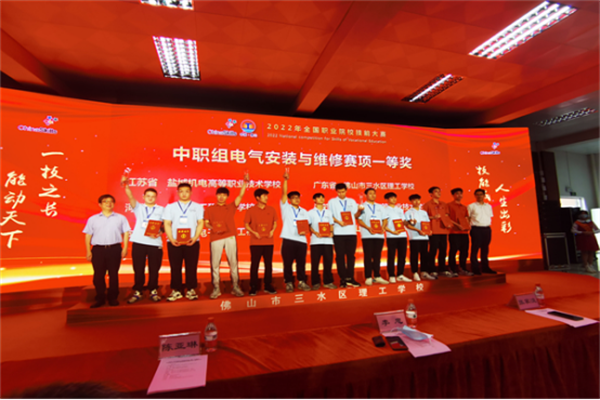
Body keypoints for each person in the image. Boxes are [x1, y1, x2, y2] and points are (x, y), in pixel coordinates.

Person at [204, 174, 249, 299]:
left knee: (233, 262)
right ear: (216, 195)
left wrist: (245, 183)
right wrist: (213, 228)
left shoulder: (230, 207)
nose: (221, 197)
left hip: (230, 236)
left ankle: (235, 286)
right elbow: (206, 223)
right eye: (219, 194)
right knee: (215, 264)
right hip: (215, 237)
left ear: (227, 197)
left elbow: (240, 196)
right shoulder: (210, 209)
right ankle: (216, 288)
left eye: (224, 195)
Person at [122, 176, 165, 303]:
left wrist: (160, 232)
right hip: (139, 242)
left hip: (155, 243)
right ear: (143, 197)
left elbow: (167, 224)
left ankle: (153, 290)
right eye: (148, 196)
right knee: (138, 268)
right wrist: (126, 185)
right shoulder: (138, 207)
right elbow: (130, 196)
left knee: (154, 269)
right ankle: (138, 291)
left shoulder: (161, 209)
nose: (150, 198)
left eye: (153, 196)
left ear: (156, 197)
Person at [83, 194, 131, 308]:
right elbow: (88, 235)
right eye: (105, 201)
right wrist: (88, 251)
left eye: (111, 201)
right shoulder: (93, 219)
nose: (108, 203)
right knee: (98, 275)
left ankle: (113, 298)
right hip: (98, 250)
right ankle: (100, 298)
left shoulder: (121, 218)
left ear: (114, 204)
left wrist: (125, 248)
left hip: (114, 249)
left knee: (113, 275)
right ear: (100, 204)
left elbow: (126, 233)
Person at [163, 183, 205, 301]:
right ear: (178, 193)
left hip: (192, 241)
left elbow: (200, 222)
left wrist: (195, 237)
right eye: (181, 191)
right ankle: (176, 290)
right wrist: (171, 238)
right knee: (175, 267)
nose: (184, 194)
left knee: (191, 267)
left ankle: (191, 289)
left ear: (191, 192)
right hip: (174, 241)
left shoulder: (198, 207)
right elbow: (167, 223)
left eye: (186, 191)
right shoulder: (170, 207)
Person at [280, 169, 311, 292]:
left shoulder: (304, 211)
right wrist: (285, 180)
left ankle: (302, 281)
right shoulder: (286, 208)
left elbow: (307, 225)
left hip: (301, 240)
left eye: (298, 198)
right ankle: (289, 282)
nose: (296, 199)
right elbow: (284, 193)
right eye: (293, 198)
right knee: (287, 263)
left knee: (301, 263)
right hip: (288, 239)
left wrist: (306, 231)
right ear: (289, 200)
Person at [244, 188, 278, 296]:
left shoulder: (271, 209)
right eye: (264, 196)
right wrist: (254, 232)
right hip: (256, 242)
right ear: (257, 198)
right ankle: (254, 286)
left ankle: (268, 285)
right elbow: (246, 225)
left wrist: (272, 230)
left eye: (267, 196)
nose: (266, 198)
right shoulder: (251, 210)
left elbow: (275, 222)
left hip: (269, 242)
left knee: (268, 264)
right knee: (255, 265)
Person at [328, 183, 361, 288]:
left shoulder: (352, 201)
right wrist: (339, 222)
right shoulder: (332, 202)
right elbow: (329, 215)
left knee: (351, 256)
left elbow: (355, 215)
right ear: (336, 191)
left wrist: (360, 210)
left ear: (346, 190)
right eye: (339, 192)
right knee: (340, 256)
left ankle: (350, 278)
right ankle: (342, 278)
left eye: (343, 192)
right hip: (338, 233)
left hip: (351, 232)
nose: (341, 194)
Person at [356, 188, 389, 286]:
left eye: (374, 193)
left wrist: (383, 227)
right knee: (368, 256)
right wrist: (368, 228)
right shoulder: (362, 207)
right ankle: (368, 277)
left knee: (377, 256)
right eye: (370, 193)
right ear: (366, 195)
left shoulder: (380, 207)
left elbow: (385, 219)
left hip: (379, 235)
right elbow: (359, 220)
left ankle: (377, 276)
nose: (373, 195)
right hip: (367, 235)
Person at [422, 186, 453, 278]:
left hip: (443, 230)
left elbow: (446, 216)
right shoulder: (427, 205)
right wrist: (433, 217)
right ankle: (432, 269)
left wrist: (448, 224)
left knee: (443, 251)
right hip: (433, 231)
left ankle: (442, 269)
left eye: (439, 191)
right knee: (433, 251)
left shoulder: (444, 204)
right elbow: (423, 217)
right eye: (436, 191)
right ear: (431, 194)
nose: (439, 193)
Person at [308, 193, 336, 290]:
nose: (321, 199)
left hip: (328, 241)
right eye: (318, 197)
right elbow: (308, 225)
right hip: (315, 241)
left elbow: (331, 224)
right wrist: (315, 232)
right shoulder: (310, 212)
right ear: (314, 200)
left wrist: (331, 232)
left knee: (328, 262)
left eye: (322, 197)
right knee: (315, 263)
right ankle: (315, 282)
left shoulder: (328, 212)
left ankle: (328, 282)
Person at [383, 192, 412, 282]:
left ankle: (400, 274)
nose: (394, 199)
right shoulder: (384, 210)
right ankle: (391, 275)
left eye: (395, 197)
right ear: (387, 200)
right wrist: (392, 232)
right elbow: (383, 225)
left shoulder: (399, 210)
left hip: (402, 235)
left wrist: (409, 221)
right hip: (391, 236)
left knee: (402, 256)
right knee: (391, 256)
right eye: (391, 198)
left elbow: (404, 222)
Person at [467, 188, 496, 274]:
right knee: (475, 248)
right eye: (477, 195)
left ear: (484, 196)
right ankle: (475, 268)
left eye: (481, 194)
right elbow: (468, 218)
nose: (479, 196)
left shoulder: (488, 206)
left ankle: (485, 267)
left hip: (486, 229)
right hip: (476, 229)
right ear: (475, 196)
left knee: (485, 248)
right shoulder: (471, 206)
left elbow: (490, 216)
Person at [447, 188, 474, 276]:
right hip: (454, 232)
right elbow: (447, 218)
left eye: (461, 193)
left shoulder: (464, 207)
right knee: (453, 251)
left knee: (464, 251)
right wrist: (457, 225)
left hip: (464, 233)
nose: (459, 195)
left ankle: (463, 268)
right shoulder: (449, 205)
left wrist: (467, 225)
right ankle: (452, 269)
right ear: (453, 195)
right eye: (457, 193)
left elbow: (466, 218)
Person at [404, 194, 432, 281]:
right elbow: (407, 225)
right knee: (414, 255)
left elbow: (427, 223)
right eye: (414, 200)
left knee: (425, 255)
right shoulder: (408, 212)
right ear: (411, 202)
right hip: (414, 237)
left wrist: (429, 231)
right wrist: (418, 230)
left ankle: (424, 272)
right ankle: (415, 272)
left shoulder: (424, 212)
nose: (417, 202)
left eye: (418, 200)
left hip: (424, 237)